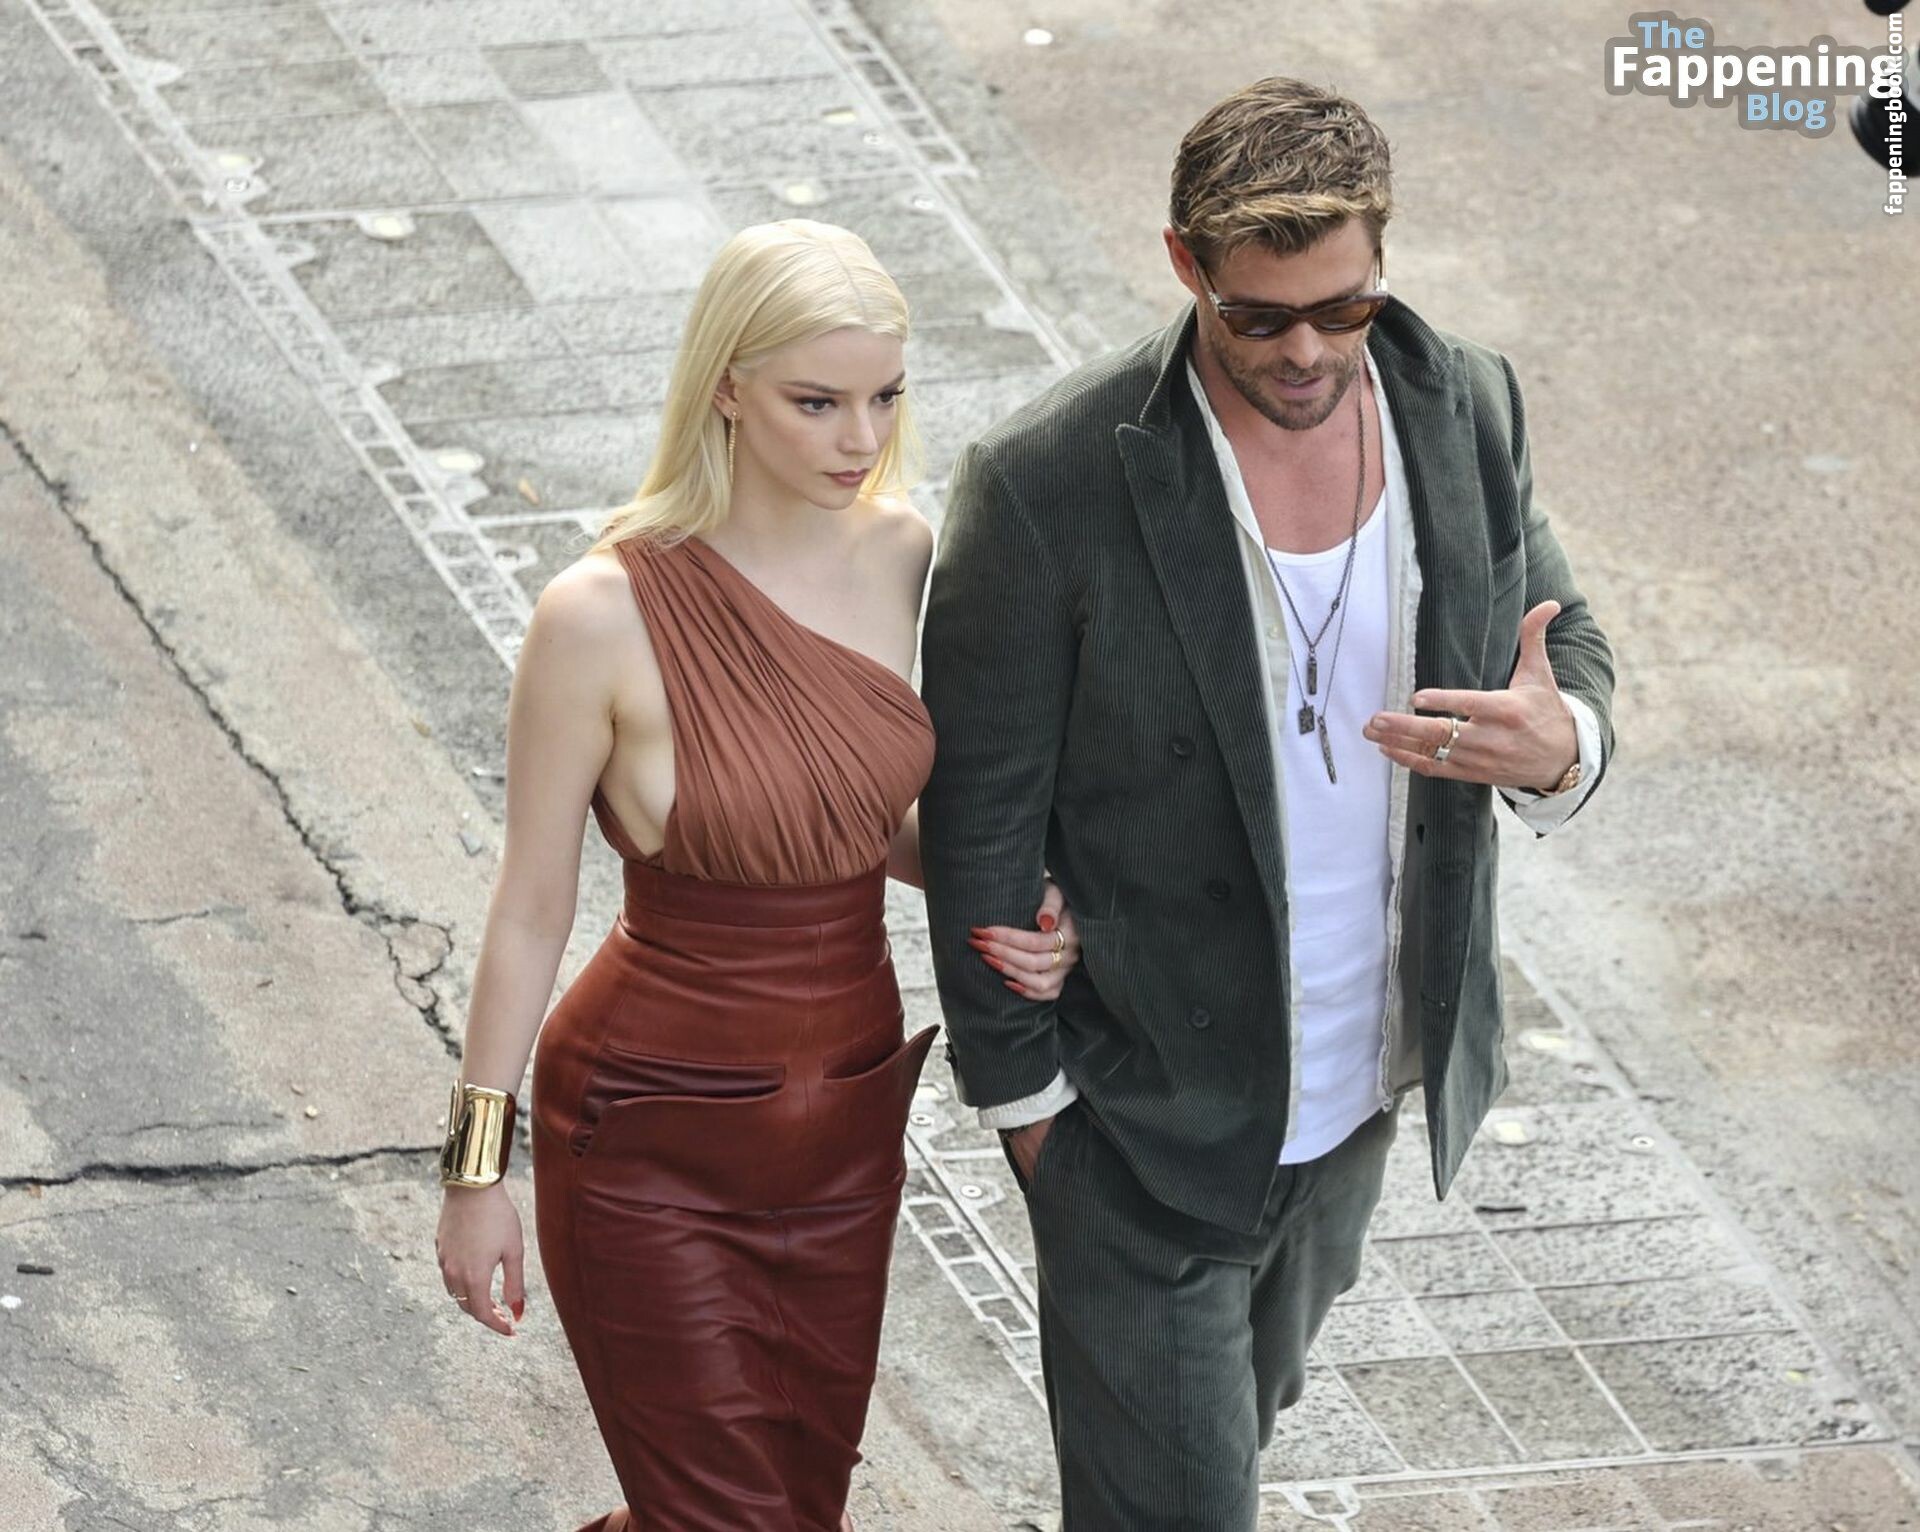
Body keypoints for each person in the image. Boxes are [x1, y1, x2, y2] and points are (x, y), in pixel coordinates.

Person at [917, 77, 1616, 1528]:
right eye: (1261, 316)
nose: (1307, 351)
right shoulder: (1050, 482)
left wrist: (1564, 746)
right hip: (1140, 1122)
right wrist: (1036, 1120)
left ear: (1382, 263)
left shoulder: (1463, 404)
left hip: (1357, 1100)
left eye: (1344, 308)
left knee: (1221, 1453)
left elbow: (1567, 641)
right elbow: (981, 819)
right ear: (1186, 265)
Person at [431, 219, 1085, 1532]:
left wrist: (1029, 903)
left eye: (885, 396)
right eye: (817, 401)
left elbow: (857, 822)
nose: (862, 437)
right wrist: (473, 1174)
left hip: (843, 1132)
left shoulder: (901, 557)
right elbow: (530, 910)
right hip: (646, 1139)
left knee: (792, 1512)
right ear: (726, 387)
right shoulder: (597, 616)